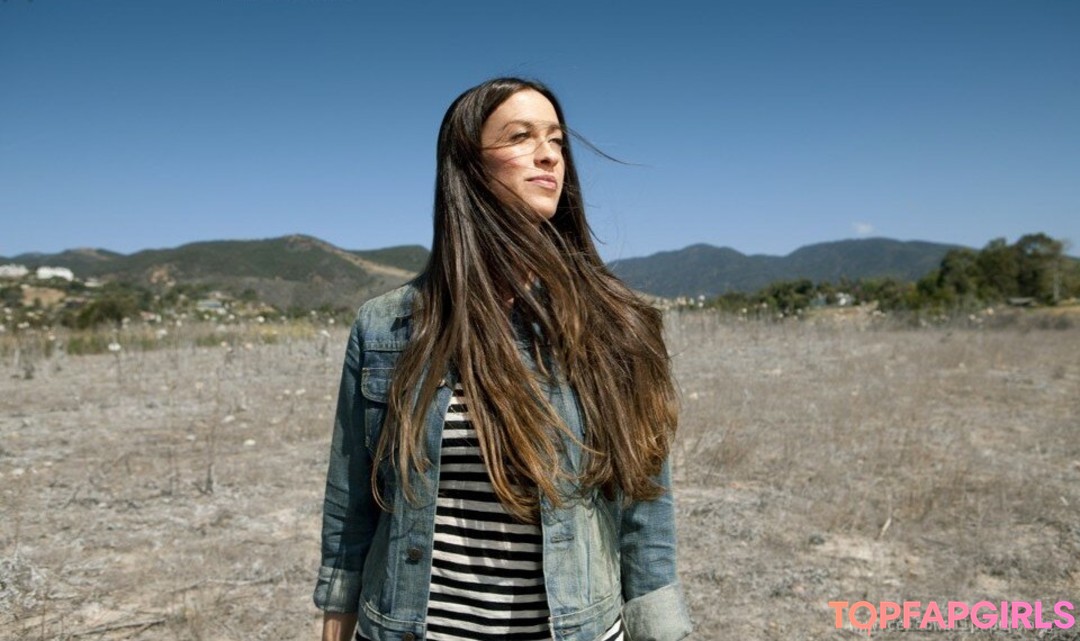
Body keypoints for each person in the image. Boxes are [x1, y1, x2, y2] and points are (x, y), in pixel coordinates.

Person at [314, 77, 692, 641]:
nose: (549, 154)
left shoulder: (615, 324)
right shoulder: (388, 327)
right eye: (521, 136)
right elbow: (351, 509)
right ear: (467, 165)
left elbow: (646, 512)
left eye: (556, 140)